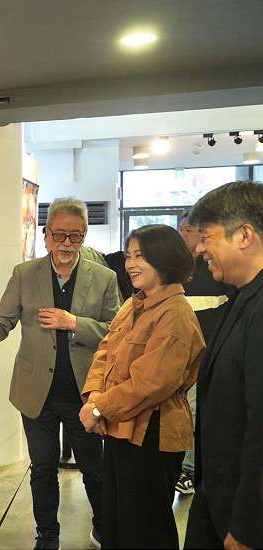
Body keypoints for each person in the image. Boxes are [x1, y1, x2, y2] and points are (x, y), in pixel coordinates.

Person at [0, 197, 121, 550]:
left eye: (75, 236)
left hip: (84, 394)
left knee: (94, 469)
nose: (66, 243)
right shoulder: (25, 274)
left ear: (84, 236)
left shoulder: (104, 277)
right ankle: (47, 537)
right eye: (59, 234)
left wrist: (74, 323)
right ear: (46, 236)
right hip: (36, 394)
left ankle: (104, 527)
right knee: (43, 469)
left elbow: (116, 330)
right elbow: (3, 319)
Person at [79, 224, 204, 549]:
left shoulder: (175, 314)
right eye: (129, 256)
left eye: (140, 256)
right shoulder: (133, 304)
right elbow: (105, 350)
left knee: (145, 529)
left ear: (164, 259)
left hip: (152, 435)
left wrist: (98, 407)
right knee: (117, 521)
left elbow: (150, 383)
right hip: (119, 428)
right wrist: (94, 397)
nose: (130, 264)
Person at [183, 181, 263, 550]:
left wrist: (249, 526)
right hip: (216, 497)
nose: (199, 249)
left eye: (206, 237)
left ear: (244, 235)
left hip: (242, 516)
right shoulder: (241, 297)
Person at [175, 211, 234, 495]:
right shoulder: (173, 269)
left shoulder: (216, 271)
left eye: (188, 230)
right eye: (180, 228)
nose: (182, 235)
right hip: (176, 357)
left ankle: (189, 469)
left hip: (207, 357)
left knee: (195, 411)